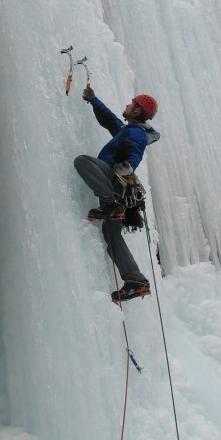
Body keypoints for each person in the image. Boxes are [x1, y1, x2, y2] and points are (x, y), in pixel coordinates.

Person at [74, 86, 160, 302]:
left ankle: (108, 202)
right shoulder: (128, 130)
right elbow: (111, 121)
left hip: (115, 182)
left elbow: (136, 150)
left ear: (138, 111)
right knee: (111, 234)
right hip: (123, 194)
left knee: (82, 161)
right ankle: (135, 279)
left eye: (132, 104)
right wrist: (94, 101)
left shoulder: (136, 133)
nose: (127, 105)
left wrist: (128, 167)